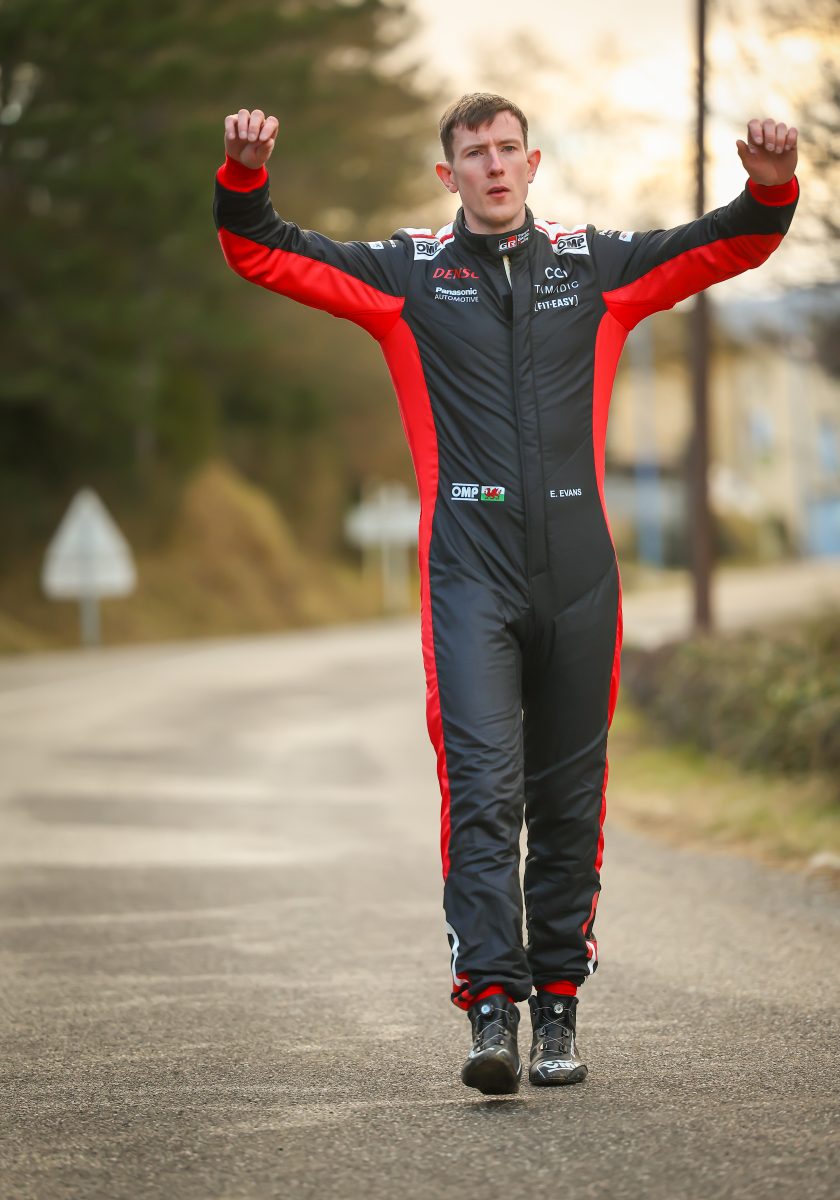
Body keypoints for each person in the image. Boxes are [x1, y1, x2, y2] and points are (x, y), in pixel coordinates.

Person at [213, 94, 798, 1094]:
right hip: (469, 576)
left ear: (534, 163)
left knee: (569, 801)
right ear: (448, 176)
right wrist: (244, 174)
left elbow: (725, 243)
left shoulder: (595, 266)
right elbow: (264, 251)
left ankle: (558, 1008)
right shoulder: (408, 275)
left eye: (507, 149)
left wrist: (771, 185)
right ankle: (491, 1011)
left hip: (580, 578)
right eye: (473, 153)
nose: (493, 165)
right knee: (482, 794)